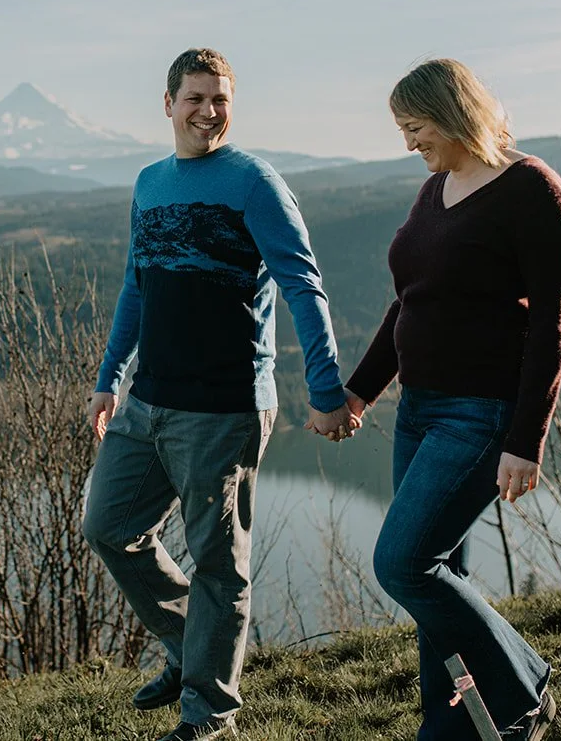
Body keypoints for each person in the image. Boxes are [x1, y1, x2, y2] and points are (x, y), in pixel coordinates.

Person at [81, 47, 365, 741]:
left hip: (225, 405)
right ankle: (191, 647)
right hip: (147, 401)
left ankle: (209, 711)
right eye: (195, 98)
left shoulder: (254, 182)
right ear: (168, 103)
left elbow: (303, 283)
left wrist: (325, 389)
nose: (208, 111)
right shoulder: (149, 183)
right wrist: (108, 378)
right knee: (109, 526)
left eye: (220, 99)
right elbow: (135, 286)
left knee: (218, 561)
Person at [341, 58, 561, 741]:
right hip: (418, 410)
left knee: (404, 563)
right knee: (440, 587)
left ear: (454, 114)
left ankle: (525, 685)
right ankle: (454, 731)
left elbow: (553, 324)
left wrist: (525, 438)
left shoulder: (532, 190)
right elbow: (409, 303)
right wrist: (360, 390)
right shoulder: (436, 188)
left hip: (481, 413)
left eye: (415, 127)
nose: (409, 143)